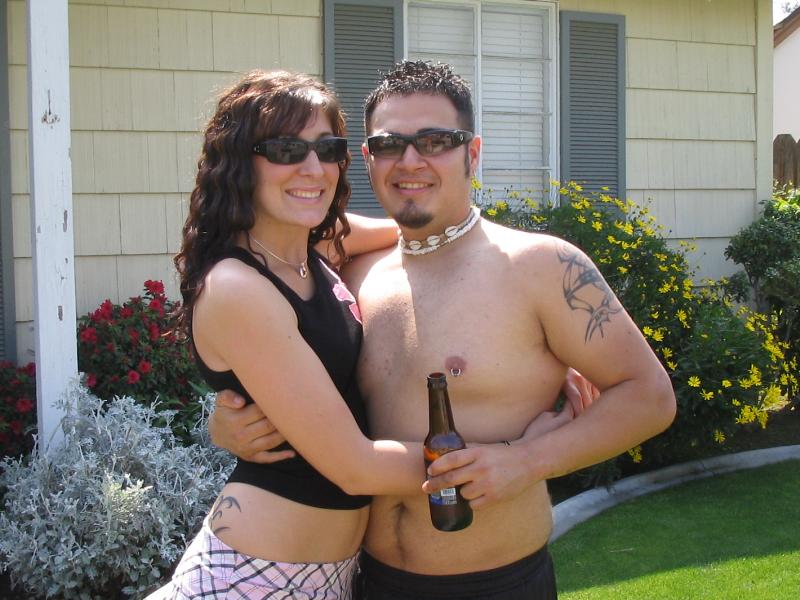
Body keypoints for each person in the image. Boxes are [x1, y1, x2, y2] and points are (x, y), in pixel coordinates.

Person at [209, 61, 676, 600]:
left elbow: (650, 396)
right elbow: (258, 311)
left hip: (494, 585)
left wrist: (525, 461)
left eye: (435, 141)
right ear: (367, 159)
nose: (411, 160)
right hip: (366, 579)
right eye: (389, 144)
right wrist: (227, 419)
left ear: (472, 153)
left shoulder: (541, 268)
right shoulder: (349, 270)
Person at [148, 69, 573, 600]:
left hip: (339, 575)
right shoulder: (237, 287)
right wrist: (510, 458)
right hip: (256, 576)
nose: (312, 168)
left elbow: (421, 223)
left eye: (327, 149)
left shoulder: (314, 251)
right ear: (239, 162)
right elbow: (354, 467)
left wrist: (537, 341)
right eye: (285, 150)